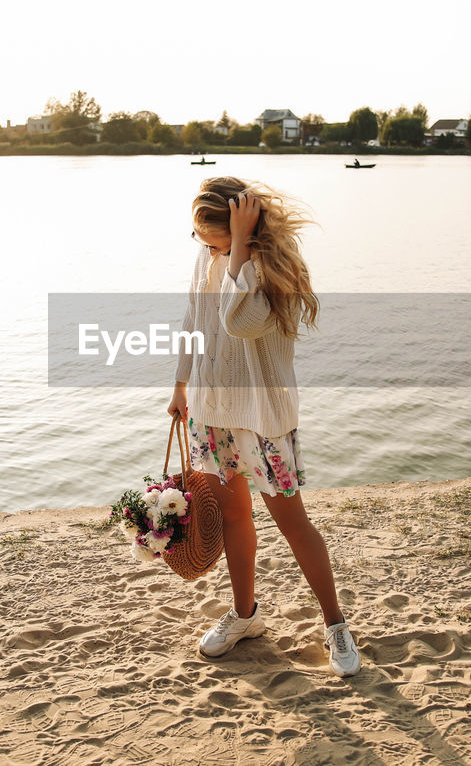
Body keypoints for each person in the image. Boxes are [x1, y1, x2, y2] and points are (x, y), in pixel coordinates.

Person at [167, 175, 361, 677]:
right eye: (200, 237)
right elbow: (194, 319)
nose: (203, 246)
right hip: (212, 411)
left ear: (242, 228)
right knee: (234, 518)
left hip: (261, 419)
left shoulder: (275, 265)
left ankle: (336, 624)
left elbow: (238, 321)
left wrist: (240, 251)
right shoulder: (210, 258)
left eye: (213, 237)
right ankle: (246, 615)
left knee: (292, 521)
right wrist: (181, 385)